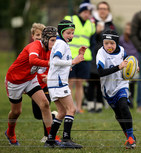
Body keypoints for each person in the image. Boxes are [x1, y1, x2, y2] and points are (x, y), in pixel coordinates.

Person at [5, 26, 57, 146]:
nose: (54, 43)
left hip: (30, 79)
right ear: (45, 39)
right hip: (15, 81)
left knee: (45, 103)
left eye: (56, 40)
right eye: (52, 40)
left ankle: (50, 138)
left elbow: (52, 65)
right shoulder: (35, 46)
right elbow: (33, 60)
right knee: (16, 112)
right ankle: (10, 133)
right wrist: (50, 63)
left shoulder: (50, 50)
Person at [44, 20, 85, 149]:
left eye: (73, 33)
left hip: (54, 82)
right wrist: (73, 61)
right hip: (59, 83)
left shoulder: (61, 43)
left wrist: (75, 61)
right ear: (61, 33)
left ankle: (50, 140)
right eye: (68, 33)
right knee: (71, 109)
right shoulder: (61, 44)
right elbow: (55, 61)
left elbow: (61, 64)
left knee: (61, 112)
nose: (71, 35)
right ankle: (66, 139)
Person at [96, 30, 136, 149]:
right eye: (106, 43)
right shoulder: (101, 53)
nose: (109, 46)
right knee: (118, 114)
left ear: (117, 43)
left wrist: (134, 66)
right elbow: (101, 72)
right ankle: (129, 136)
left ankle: (131, 138)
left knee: (124, 106)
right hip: (108, 89)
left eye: (112, 43)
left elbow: (129, 60)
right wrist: (119, 67)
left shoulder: (122, 50)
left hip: (121, 84)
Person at [30, 23, 60, 143]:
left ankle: (47, 135)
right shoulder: (31, 49)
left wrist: (48, 76)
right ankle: (54, 117)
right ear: (32, 36)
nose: (39, 37)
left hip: (46, 85)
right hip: (33, 85)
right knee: (37, 114)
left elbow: (52, 65)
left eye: (41, 35)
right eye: (37, 35)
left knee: (45, 106)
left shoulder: (49, 50)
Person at [64, 0, 96, 113]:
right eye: (85, 12)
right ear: (80, 11)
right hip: (71, 57)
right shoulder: (70, 19)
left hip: (85, 58)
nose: (87, 14)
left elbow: (92, 42)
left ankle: (78, 107)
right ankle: (69, 107)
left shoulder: (91, 25)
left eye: (89, 12)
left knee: (79, 83)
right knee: (70, 82)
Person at [86, 1, 116, 112]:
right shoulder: (91, 22)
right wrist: (96, 32)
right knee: (91, 81)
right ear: (98, 10)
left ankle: (99, 104)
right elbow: (87, 38)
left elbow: (115, 40)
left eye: (105, 8)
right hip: (93, 56)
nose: (103, 10)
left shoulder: (111, 24)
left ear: (108, 11)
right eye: (101, 8)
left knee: (101, 82)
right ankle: (89, 104)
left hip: (105, 57)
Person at [119, 22, 138, 109]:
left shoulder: (136, 39)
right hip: (125, 64)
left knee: (133, 83)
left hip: (135, 63)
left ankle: (131, 98)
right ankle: (126, 98)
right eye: (127, 29)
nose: (128, 30)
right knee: (125, 83)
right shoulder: (122, 39)